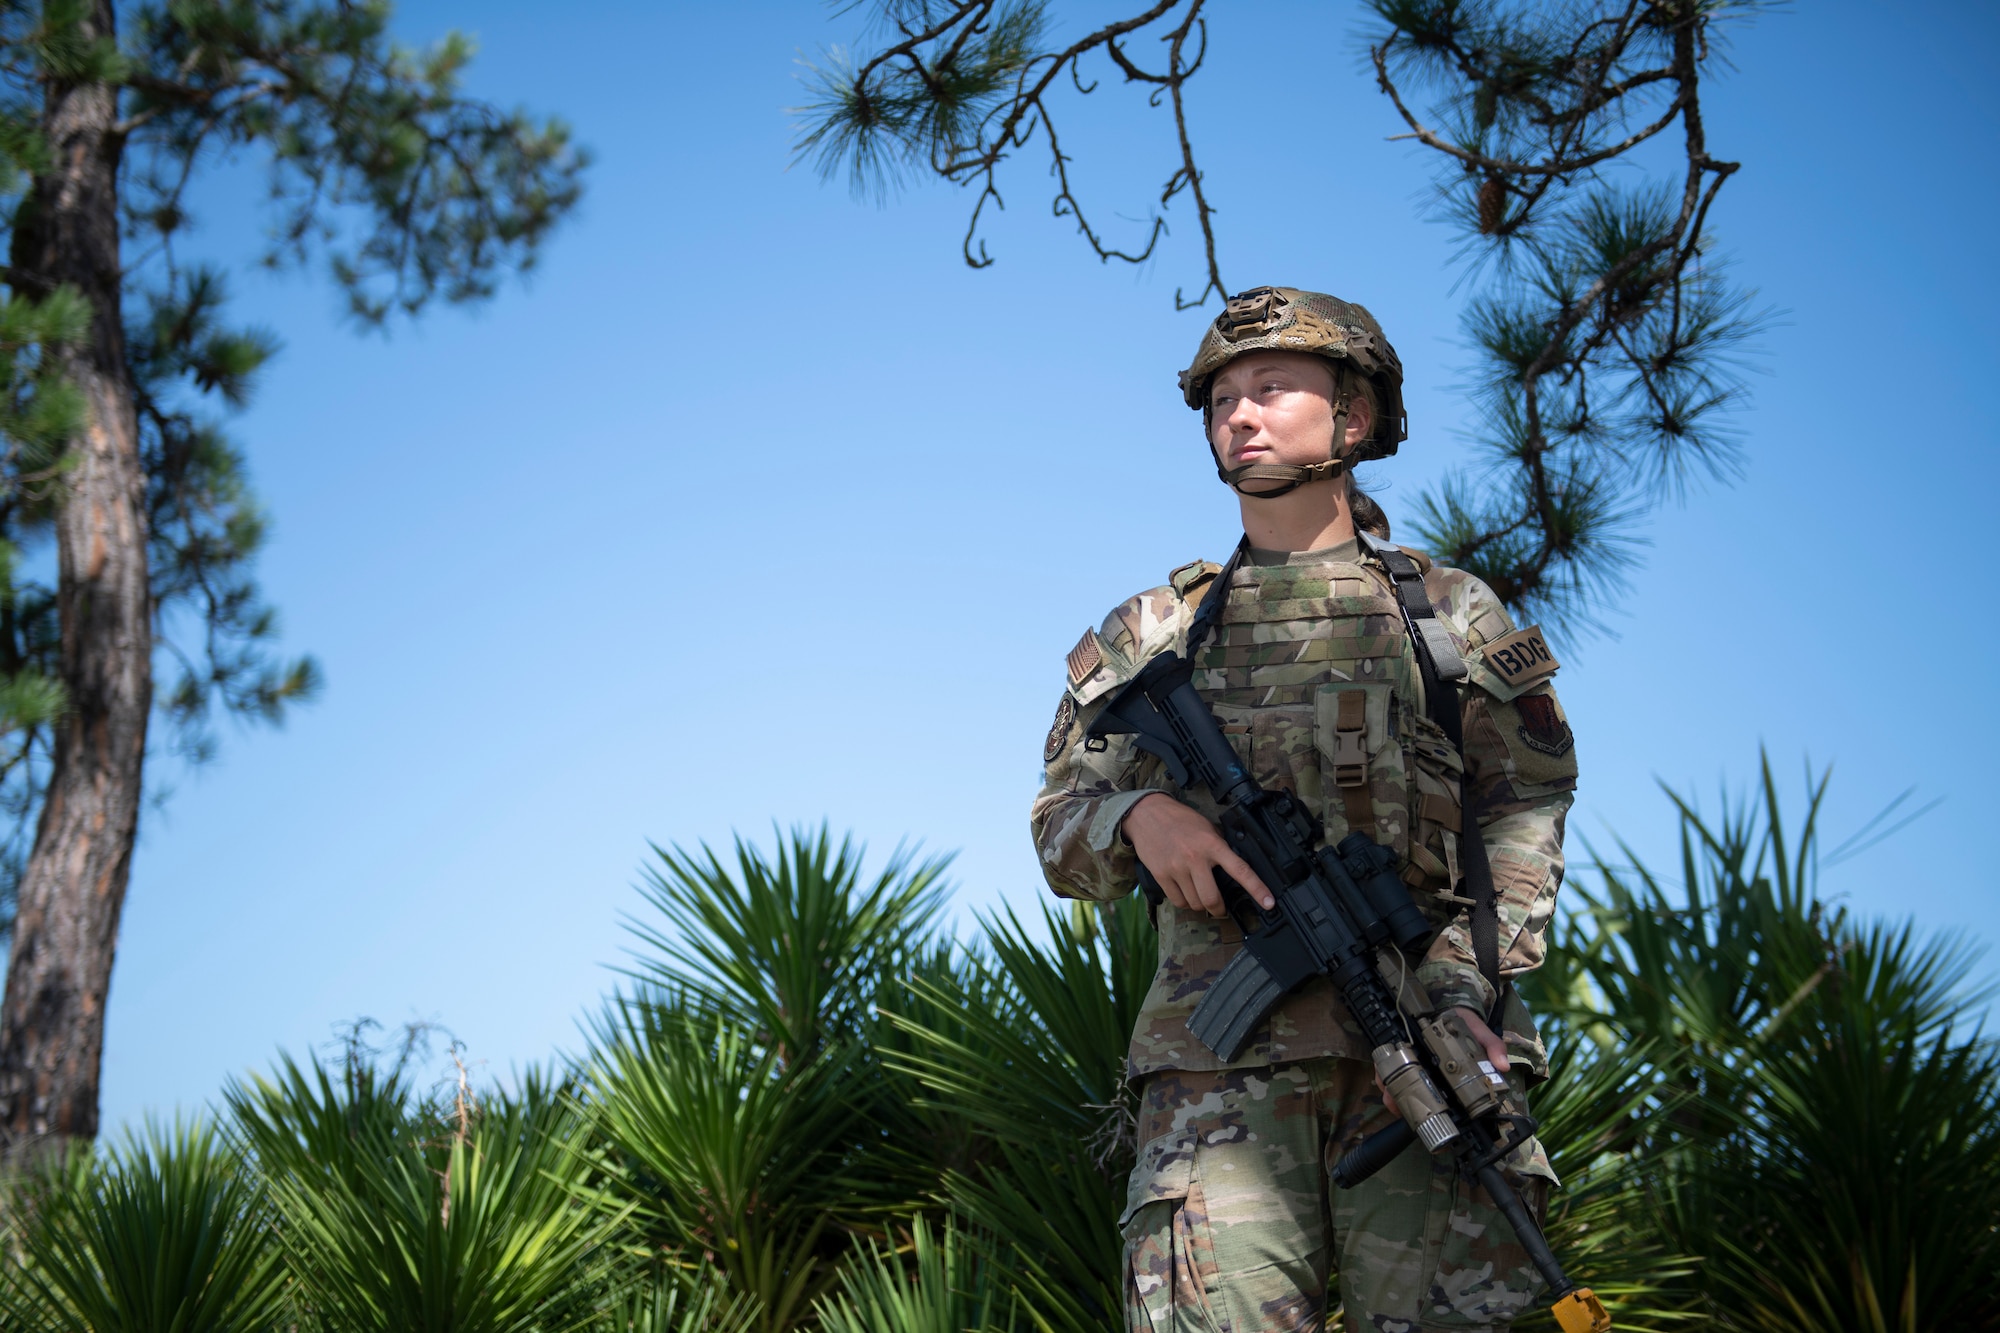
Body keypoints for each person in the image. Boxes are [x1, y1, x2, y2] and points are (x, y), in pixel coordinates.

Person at [1030, 286, 1580, 1332]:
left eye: (1271, 388)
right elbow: (1058, 818)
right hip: (1214, 1084)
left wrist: (1465, 987)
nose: (1239, 414)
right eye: (1220, 398)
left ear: (1354, 418)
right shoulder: (1155, 628)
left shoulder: (1445, 610)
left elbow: (1524, 804)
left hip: (1429, 1051)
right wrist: (1136, 822)